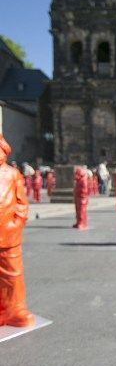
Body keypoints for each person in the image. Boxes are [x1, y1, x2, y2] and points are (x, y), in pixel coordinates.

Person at [0, 135, 35, 327]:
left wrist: (15, 225)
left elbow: (22, 204)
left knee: (12, 274)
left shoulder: (11, 173)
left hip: (8, 233)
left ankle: (15, 310)